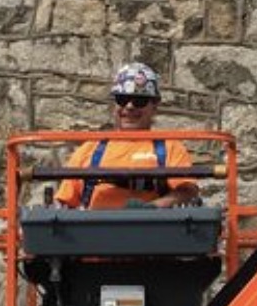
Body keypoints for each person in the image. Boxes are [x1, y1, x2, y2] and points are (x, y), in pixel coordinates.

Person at [54, 62, 200, 210]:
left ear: (154, 106)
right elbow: (64, 203)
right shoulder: (89, 150)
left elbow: (187, 191)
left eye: (139, 100)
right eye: (122, 99)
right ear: (114, 105)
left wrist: (151, 208)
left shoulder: (170, 148)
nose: (129, 106)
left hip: (152, 230)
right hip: (95, 230)